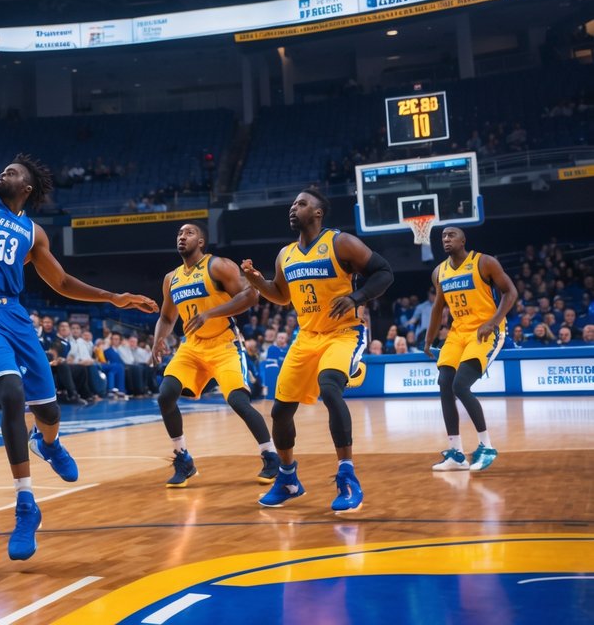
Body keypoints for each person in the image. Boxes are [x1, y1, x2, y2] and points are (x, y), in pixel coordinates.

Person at [0, 32, 157, 559]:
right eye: (6, 168)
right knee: (11, 396)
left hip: (16, 314)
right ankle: (25, 503)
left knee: (49, 409)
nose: (6, 170)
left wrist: (113, 297)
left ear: (30, 187)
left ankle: (51, 441)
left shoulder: (35, 232)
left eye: (16, 170)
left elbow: (59, 283)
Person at [242, 188, 393, 513]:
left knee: (329, 387)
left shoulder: (341, 243)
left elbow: (384, 272)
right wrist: (256, 281)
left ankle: (348, 476)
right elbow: (282, 296)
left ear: (318, 212)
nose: (293, 208)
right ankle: (288, 479)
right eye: (293, 203)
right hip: (306, 337)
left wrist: (356, 298)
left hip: (344, 332)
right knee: (280, 412)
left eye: (301, 203)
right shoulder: (286, 255)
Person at [152, 222, 278, 489]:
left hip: (224, 344)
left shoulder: (218, 265)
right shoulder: (171, 278)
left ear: (201, 242)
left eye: (189, 233)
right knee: (165, 395)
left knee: (239, 402)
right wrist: (158, 340)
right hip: (192, 347)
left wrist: (211, 313)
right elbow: (166, 316)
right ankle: (183, 459)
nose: (182, 237)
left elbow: (251, 295)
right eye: (179, 233)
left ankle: (271, 456)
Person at [423, 227, 517, 472]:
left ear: (463, 240)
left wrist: (493, 322)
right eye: (443, 236)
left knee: (460, 385)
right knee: (444, 383)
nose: (446, 239)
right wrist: (428, 339)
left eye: (451, 235)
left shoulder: (484, 262)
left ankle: (486, 446)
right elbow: (437, 308)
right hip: (457, 333)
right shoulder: (439, 272)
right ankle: (455, 453)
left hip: (485, 331)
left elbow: (510, 292)